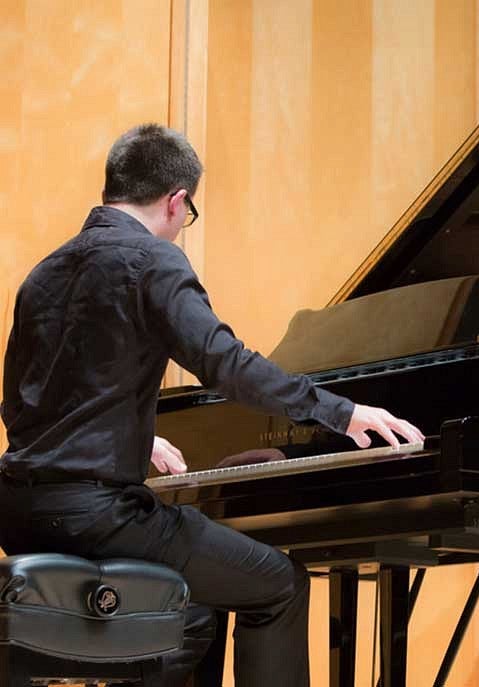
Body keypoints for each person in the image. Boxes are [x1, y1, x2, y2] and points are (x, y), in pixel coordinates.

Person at [0, 123, 424, 686]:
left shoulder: (43, 274)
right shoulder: (153, 261)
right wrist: (343, 412)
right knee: (279, 585)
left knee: (196, 604)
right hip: (99, 518)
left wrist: (129, 433)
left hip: (19, 513)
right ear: (177, 201)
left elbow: (21, 404)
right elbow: (227, 365)